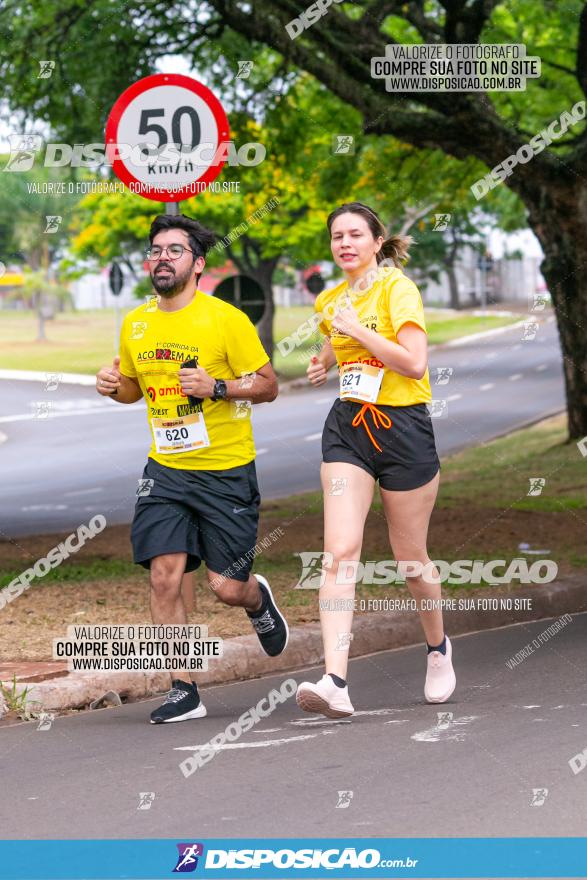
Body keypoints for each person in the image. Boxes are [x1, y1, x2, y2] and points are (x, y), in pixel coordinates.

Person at [96, 213, 288, 724]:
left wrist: (218, 387)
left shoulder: (226, 319)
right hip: (165, 470)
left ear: (198, 264)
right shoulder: (136, 322)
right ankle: (184, 689)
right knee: (164, 577)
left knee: (225, 586)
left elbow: (268, 384)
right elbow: (133, 387)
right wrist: (114, 386)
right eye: (155, 250)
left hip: (225, 469)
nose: (162, 257)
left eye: (174, 250)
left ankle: (256, 599)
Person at [296, 201, 455, 718]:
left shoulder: (397, 289)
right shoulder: (330, 300)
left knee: (410, 560)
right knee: (340, 551)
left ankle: (437, 648)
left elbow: (413, 362)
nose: (345, 243)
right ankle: (335, 681)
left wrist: (358, 331)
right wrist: (322, 362)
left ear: (376, 241)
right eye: (337, 235)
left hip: (404, 429)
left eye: (355, 234)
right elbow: (334, 339)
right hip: (349, 429)